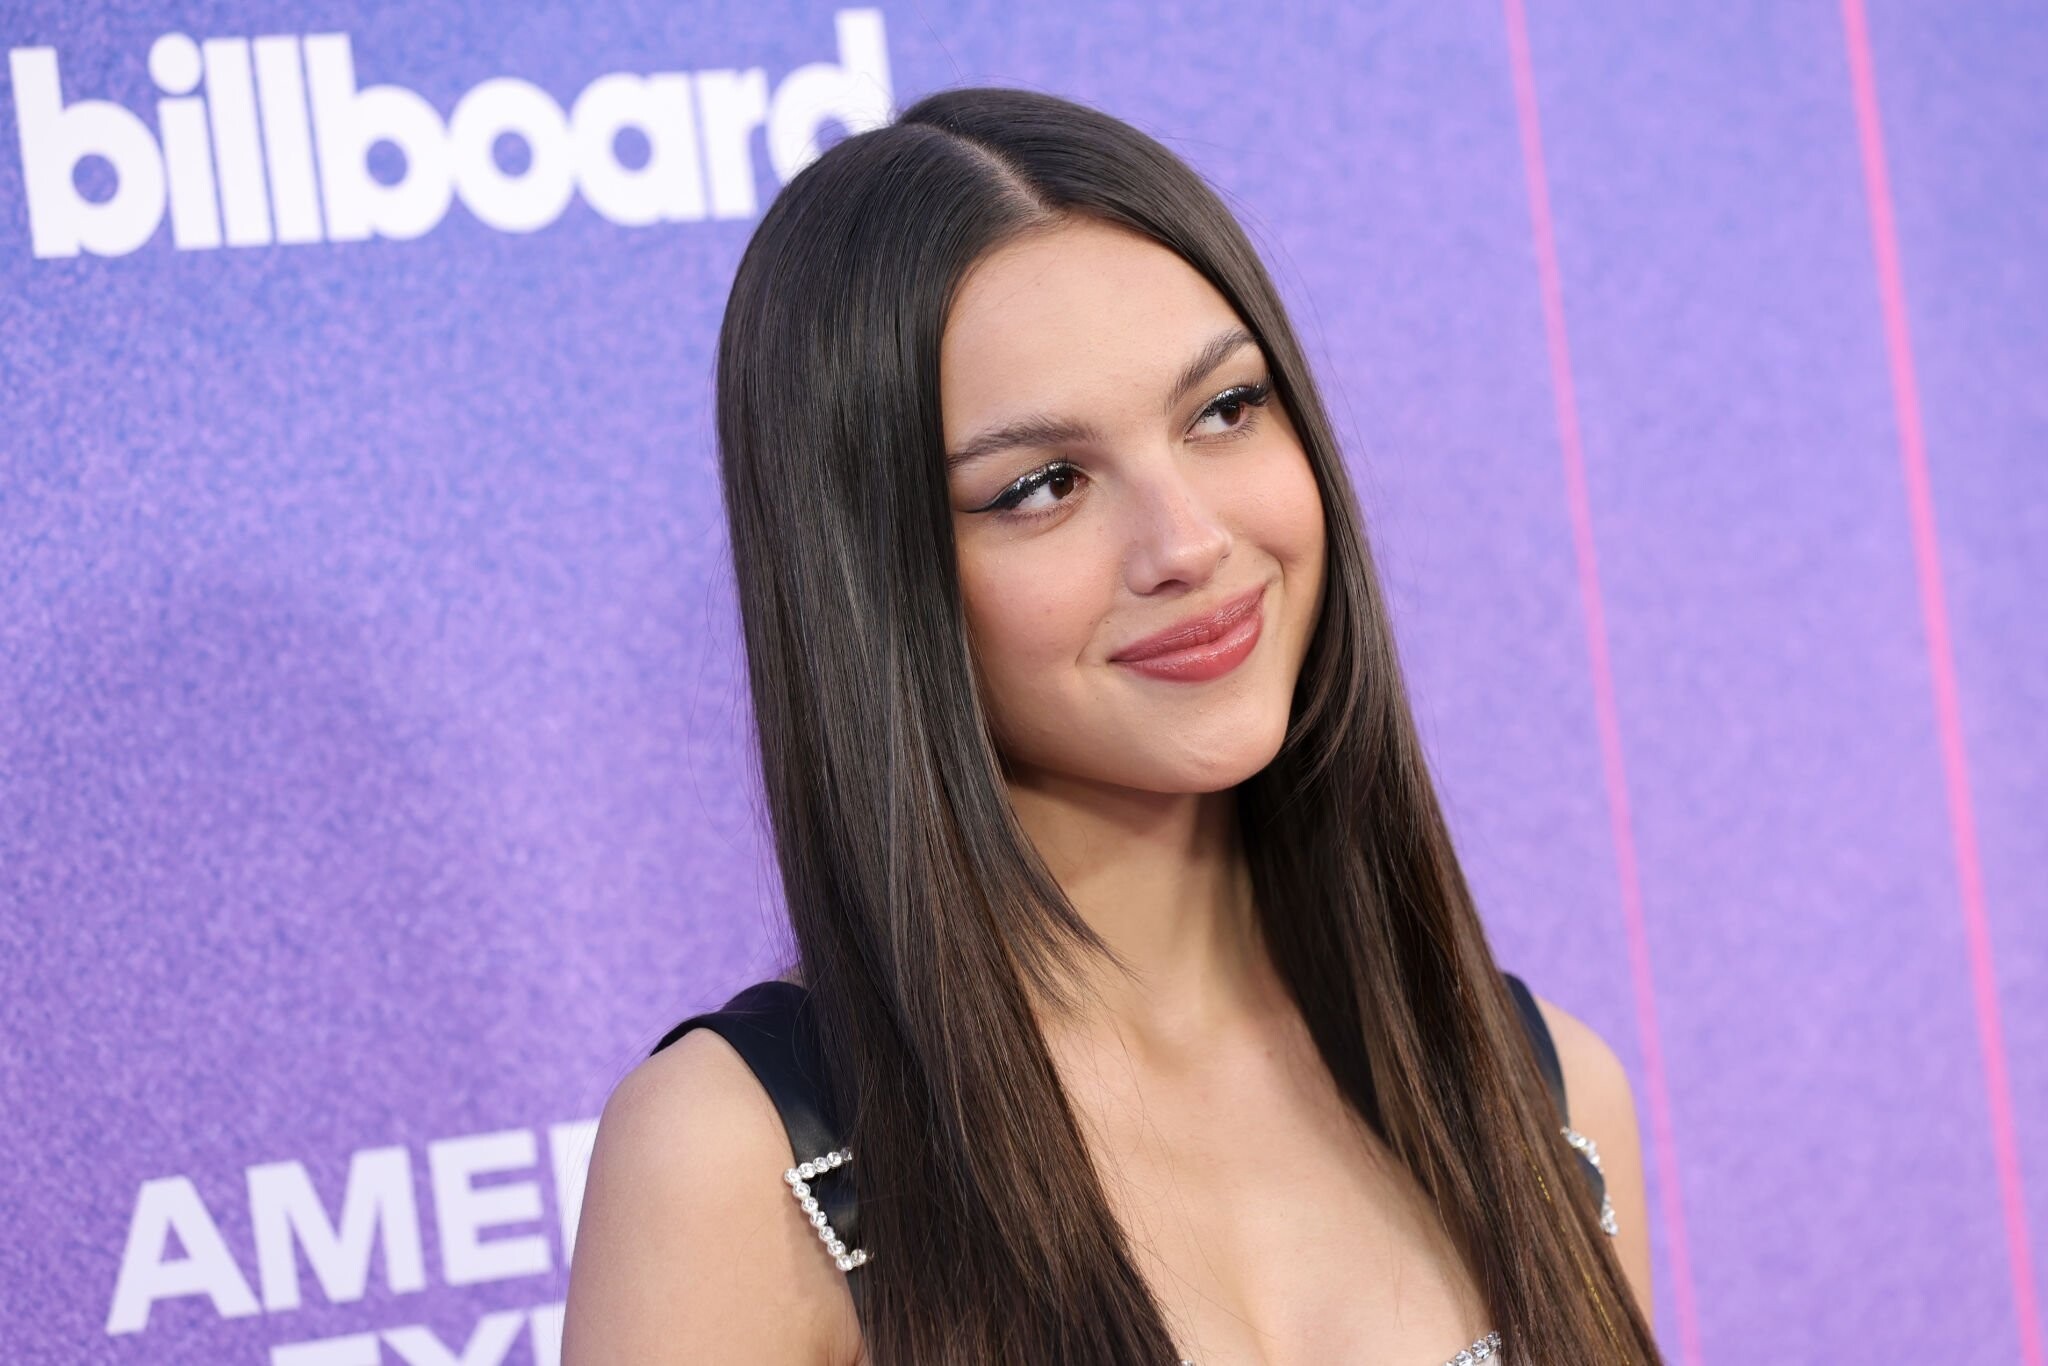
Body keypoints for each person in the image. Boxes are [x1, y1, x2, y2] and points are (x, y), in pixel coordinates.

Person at [561, 85, 1658, 1365]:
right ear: (872, 582)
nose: (1186, 541)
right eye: (1041, 485)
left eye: (1223, 410)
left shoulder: (1545, 1091)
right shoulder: (736, 1161)